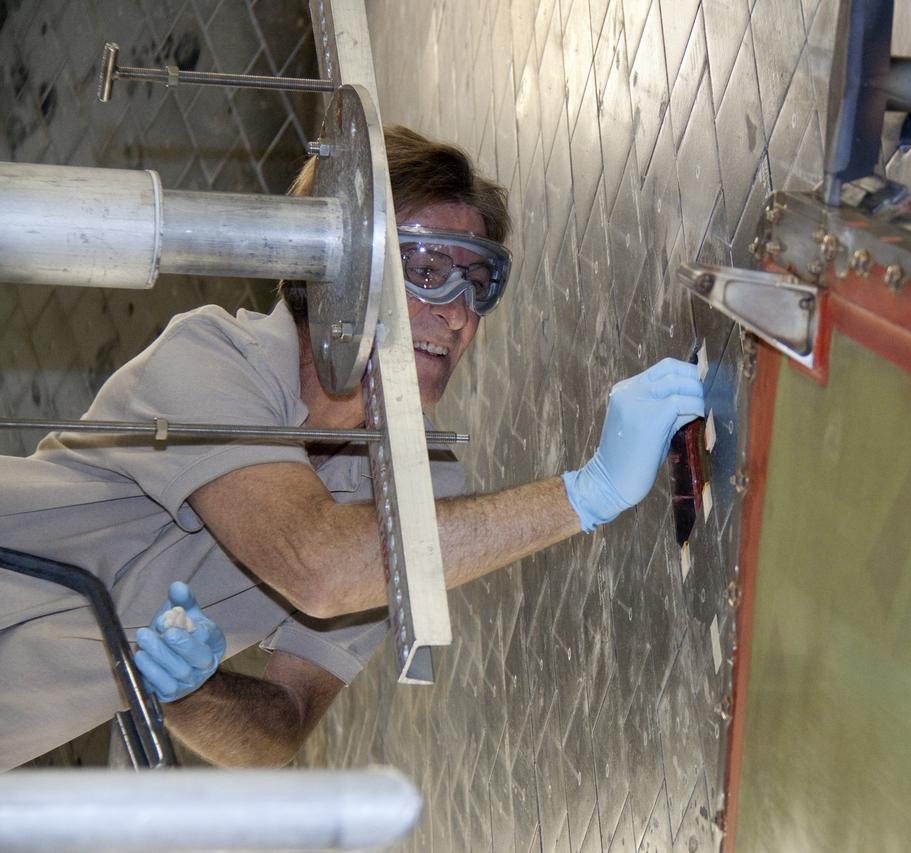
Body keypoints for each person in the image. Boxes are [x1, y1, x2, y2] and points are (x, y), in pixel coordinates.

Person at [0, 126, 704, 769]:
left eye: (477, 280)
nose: (457, 312)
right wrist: (587, 493)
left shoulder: (414, 487)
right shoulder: (214, 356)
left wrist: (187, 694)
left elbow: (280, 727)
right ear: (332, 272)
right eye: (425, 271)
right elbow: (318, 565)